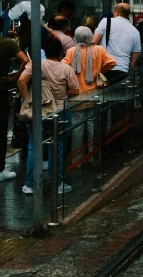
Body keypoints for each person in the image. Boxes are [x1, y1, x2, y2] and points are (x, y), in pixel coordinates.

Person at [18, 35, 79, 195]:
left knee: (33, 146)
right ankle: (57, 184)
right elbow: (74, 92)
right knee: (56, 148)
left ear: (45, 50)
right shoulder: (66, 69)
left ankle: (30, 185)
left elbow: (21, 81)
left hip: (38, 111)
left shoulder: (36, 64)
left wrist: (27, 100)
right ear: (61, 53)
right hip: (60, 112)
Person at [62, 26, 116, 158]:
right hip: (95, 95)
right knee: (92, 125)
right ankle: (93, 157)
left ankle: (77, 159)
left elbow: (63, 67)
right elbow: (112, 62)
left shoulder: (71, 51)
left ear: (76, 37)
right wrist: (100, 71)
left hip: (77, 96)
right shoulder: (99, 50)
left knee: (77, 128)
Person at [0, 22, 29, 182]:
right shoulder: (7, 43)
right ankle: (0, 169)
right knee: (1, 128)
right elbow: (25, 59)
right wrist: (16, 76)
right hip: (2, 88)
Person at [92, 3, 141, 83]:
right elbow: (134, 59)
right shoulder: (135, 32)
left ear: (117, 12)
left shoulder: (106, 22)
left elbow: (94, 42)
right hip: (123, 71)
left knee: (101, 94)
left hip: (105, 68)